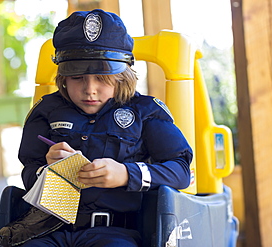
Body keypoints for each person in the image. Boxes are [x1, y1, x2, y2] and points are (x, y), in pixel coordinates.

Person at [18, 9, 192, 247]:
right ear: (63, 77)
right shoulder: (46, 112)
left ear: (122, 75)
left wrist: (126, 174)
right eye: (77, 77)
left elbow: (180, 171)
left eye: (102, 77)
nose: (90, 89)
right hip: (48, 229)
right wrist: (46, 172)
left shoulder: (146, 112)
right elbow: (28, 170)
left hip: (117, 232)